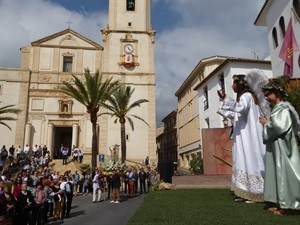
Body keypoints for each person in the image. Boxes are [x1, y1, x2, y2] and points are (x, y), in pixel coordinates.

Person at [217, 74, 266, 203]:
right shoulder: (243, 98)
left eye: (234, 83)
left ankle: (256, 191)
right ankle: (244, 190)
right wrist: (225, 101)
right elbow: (235, 113)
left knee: (250, 159)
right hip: (242, 135)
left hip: (248, 136)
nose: (232, 86)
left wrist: (227, 99)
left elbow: (240, 108)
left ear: (240, 85)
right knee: (242, 159)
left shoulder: (247, 96)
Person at [259, 81, 300, 215]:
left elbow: (279, 127)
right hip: (277, 145)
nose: (265, 97)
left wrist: (266, 124)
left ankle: (288, 204)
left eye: (268, 94)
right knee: (277, 172)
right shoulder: (277, 108)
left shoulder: (283, 108)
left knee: (284, 172)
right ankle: (280, 201)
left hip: (283, 148)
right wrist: (268, 123)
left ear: (276, 93)